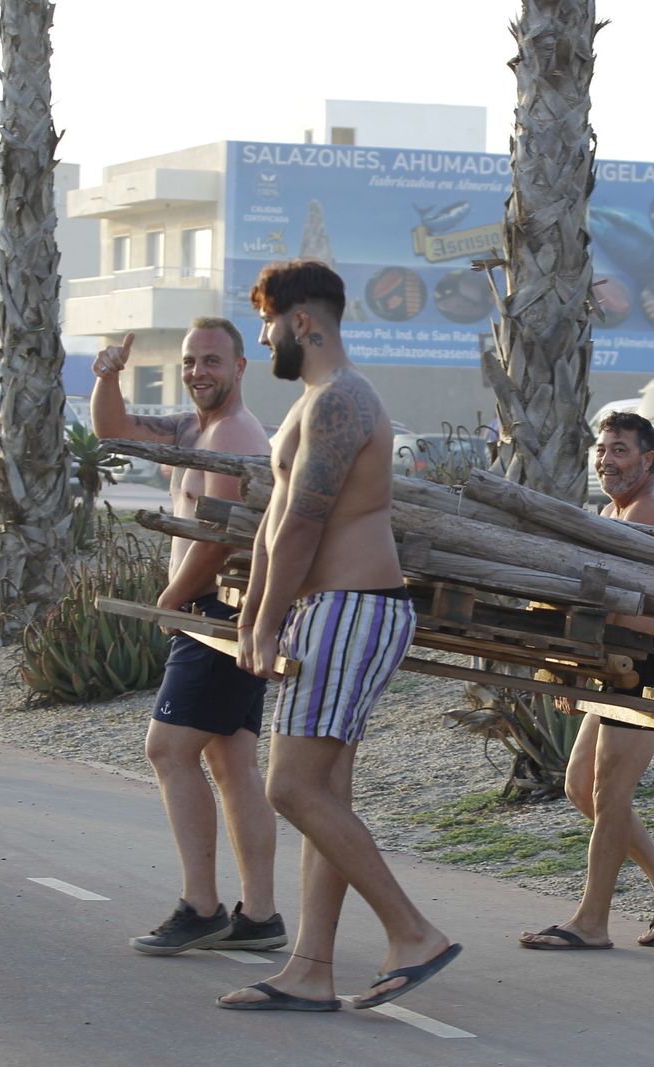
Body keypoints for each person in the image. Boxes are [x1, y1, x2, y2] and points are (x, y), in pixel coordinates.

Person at [219, 259, 458, 1013]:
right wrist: (255, 613)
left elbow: (306, 522)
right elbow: (271, 527)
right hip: (327, 610)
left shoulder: (346, 399)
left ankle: (413, 932)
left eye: (268, 324)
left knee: (289, 786)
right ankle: (310, 968)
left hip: (353, 606)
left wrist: (263, 623)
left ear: (303, 323)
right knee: (324, 789)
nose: (263, 340)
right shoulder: (312, 402)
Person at [90, 318, 287, 956]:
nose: (199, 371)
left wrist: (176, 595)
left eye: (211, 361)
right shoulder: (190, 429)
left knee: (168, 751)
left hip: (217, 613)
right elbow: (113, 431)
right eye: (190, 361)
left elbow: (227, 532)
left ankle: (201, 907)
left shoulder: (234, 435)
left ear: (239, 368)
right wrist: (109, 375)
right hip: (219, 613)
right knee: (231, 763)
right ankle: (259, 918)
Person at [518, 410, 654, 951]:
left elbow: (645, 609)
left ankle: (592, 922)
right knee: (583, 788)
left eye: (620, 450)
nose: (607, 461)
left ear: (647, 458)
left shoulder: (652, 511)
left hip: (648, 663)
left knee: (608, 792)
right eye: (602, 450)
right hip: (615, 663)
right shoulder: (615, 508)